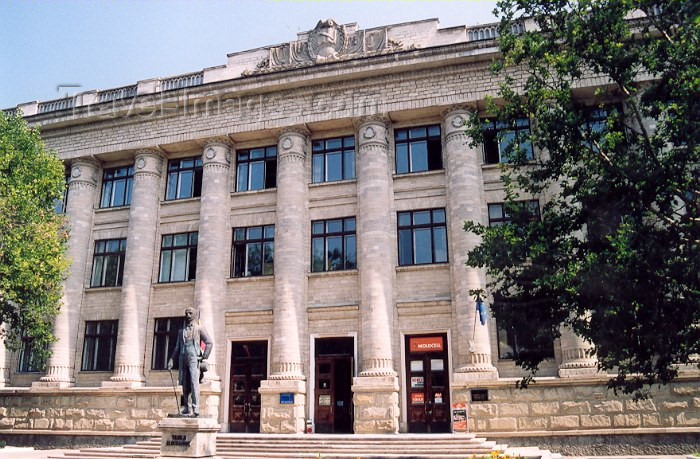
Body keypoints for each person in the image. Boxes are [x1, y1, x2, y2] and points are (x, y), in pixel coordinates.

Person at [167, 307, 213, 416]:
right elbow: (177, 348)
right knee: (185, 384)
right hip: (183, 358)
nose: (188, 315)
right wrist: (171, 360)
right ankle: (187, 408)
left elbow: (209, 342)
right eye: (186, 313)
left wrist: (203, 357)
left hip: (194, 358)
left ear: (195, 315)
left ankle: (196, 408)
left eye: (190, 313)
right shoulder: (181, 332)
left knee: (194, 383)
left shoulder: (199, 329)